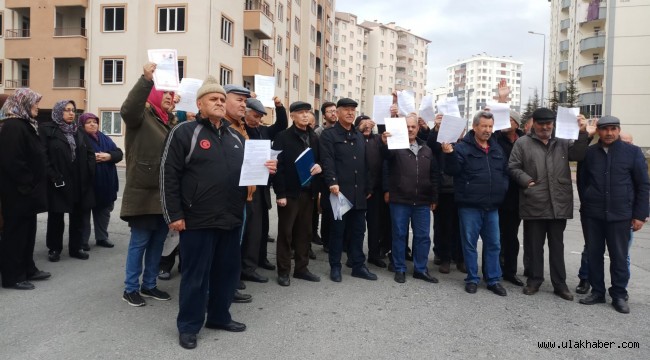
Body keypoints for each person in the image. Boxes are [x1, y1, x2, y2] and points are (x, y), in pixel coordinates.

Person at [160, 75, 277, 349]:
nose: (220, 103)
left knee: (226, 272)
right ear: (200, 103)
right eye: (214, 98)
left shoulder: (235, 136)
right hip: (197, 220)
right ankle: (188, 325)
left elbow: (248, 171)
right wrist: (173, 215)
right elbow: (168, 174)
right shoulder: (185, 132)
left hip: (231, 217)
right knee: (195, 276)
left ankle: (219, 316)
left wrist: (267, 168)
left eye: (223, 99)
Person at [508, 107, 591, 301]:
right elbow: (513, 166)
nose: (545, 127)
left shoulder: (563, 140)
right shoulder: (522, 143)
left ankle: (559, 284)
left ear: (553, 124)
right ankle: (535, 280)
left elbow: (579, 155)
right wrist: (526, 181)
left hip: (558, 203)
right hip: (533, 201)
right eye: (541, 123)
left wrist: (582, 132)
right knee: (535, 246)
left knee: (557, 246)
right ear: (534, 124)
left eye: (548, 123)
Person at [577, 116, 649, 314]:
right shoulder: (590, 153)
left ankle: (619, 294)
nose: (609, 133)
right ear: (598, 131)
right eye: (605, 129)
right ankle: (597, 292)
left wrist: (640, 215)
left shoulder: (632, 153)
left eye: (613, 129)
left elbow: (643, 185)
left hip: (621, 214)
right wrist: (588, 202)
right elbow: (583, 183)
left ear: (618, 130)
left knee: (619, 256)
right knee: (594, 254)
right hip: (593, 214)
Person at [119, 62, 174, 307]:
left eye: (172, 95)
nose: (170, 98)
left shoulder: (168, 121)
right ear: (155, 95)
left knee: (157, 243)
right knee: (140, 243)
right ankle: (130, 288)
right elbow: (128, 109)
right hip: (143, 192)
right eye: (167, 94)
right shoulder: (141, 116)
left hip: (163, 194)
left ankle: (149, 285)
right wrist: (146, 79)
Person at [442, 110, 509, 296]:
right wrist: (448, 154)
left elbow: (504, 171)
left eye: (490, 126)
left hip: (492, 206)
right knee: (469, 244)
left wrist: (502, 188)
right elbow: (453, 170)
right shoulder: (463, 148)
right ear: (475, 127)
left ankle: (493, 279)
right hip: (470, 205)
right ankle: (472, 278)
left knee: (494, 244)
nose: (488, 130)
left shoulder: (496, 148)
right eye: (484, 126)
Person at [320, 98, 376, 282]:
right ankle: (335, 266)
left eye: (353, 110)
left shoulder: (359, 136)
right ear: (337, 112)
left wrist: (369, 186)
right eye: (347, 109)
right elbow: (327, 161)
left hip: (359, 192)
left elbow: (366, 162)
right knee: (338, 231)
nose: (351, 113)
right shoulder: (329, 135)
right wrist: (332, 182)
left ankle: (358, 265)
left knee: (359, 230)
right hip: (340, 192)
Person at [0, 88, 51, 290]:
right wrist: (28, 183)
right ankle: (13, 277)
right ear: (22, 103)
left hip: (27, 192)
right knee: (16, 234)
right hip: (18, 192)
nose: (37, 106)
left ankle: (28, 268)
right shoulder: (13, 126)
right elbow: (12, 161)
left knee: (28, 232)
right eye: (34, 103)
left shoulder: (25, 124)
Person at [381, 115, 439, 283]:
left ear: (418, 128)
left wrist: (434, 197)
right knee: (399, 234)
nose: (410, 129)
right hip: (399, 199)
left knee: (423, 236)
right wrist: (385, 142)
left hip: (422, 200)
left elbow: (434, 175)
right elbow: (385, 159)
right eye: (407, 126)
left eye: (413, 126)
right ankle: (399, 268)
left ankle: (420, 269)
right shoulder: (394, 147)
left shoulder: (427, 149)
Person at [272, 101, 322, 286]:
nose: (305, 115)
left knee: (305, 232)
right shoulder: (282, 137)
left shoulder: (314, 137)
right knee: (286, 233)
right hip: (290, 193)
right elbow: (278, 167)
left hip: (308, 192)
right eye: (300, 112)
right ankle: (283, 271)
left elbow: (319, 160)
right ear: (292, 116)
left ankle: (302, 268)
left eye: (307, 112)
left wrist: (319, 166)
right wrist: (280, 194)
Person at [240, 96, 288, 283]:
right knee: (251, 227)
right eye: (255, 115)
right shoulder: (242, 130)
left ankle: (261, 258)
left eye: (261, 116)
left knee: (262, 226)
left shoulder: (263, 130)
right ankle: (248, 266)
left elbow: (281, 124)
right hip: (248, 183)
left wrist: (279, 107)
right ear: (245, 114)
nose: (259, 119)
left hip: (263, 183)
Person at [41, 100, 95, 262]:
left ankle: (76, 247)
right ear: (58, 112)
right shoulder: (47, 130)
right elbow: (43, 156)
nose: (71, 113)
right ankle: (54, 248)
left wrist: (88, 173)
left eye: (73, 110)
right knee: (56, 217)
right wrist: (53, 175)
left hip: (78, 181)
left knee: (77, 216)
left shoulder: (78, 131)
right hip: (58, 181)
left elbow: (89, 153)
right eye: (67, 110)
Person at [79, 113, 123, 250]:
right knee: (84, 215)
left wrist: (109, 156)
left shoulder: (104, 138)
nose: (93, 124)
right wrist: (92, 157)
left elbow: (119, 153)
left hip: (106, 184)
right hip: (88, 185)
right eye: (89, 122)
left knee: (103, 213)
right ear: (82, 125)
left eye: (95, 122)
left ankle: (102, 238)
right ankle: (82, 241)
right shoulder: (78, 137)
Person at [427, 113, 465, 274]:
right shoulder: (441, 145)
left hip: (462, 191)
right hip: (444, 191)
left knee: (461, 227)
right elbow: (430, 145)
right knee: (443, 226)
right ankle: (444, 258)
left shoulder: (465, 146)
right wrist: (436, 128)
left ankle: (460, 258)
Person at [492, 110, 525, 286]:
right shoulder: (495, 139)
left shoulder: (524, 141)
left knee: (511, 236)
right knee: (495, 236)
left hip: (517, 196)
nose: (506, 122)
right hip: (498, 195)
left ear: (517, 124)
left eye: (510, 120)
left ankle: (510, 271)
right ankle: (494, 269)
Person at [356, 115, 387, 268]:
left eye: (369, 124)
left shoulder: (378, 140)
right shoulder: (354, 139)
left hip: (376, 190)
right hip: (358, 190)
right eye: (363, 124)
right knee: (357, 225)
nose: (367, 126)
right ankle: (354, 255)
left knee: (375, 225)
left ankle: (374, 254)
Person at [314, 101, 338, 250]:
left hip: (339, 175)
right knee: (327, 209)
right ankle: (326, 241)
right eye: (330, 111)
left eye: (335, 111)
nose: (333, 113)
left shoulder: (341, 130)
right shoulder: (319, 132)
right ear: (324, 115)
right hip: (324, 177)